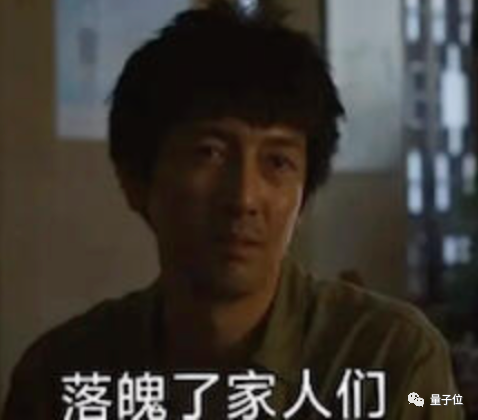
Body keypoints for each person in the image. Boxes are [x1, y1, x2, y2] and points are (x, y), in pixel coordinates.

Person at [2, 2, 464, 419]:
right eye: (209, 153)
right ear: (136, 181)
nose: (243, 199)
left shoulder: (392, 358)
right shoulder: (61, 378)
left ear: (303, 196)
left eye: (277, 162)